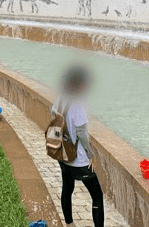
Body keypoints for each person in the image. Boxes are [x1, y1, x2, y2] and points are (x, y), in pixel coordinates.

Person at [52, 66, 104, 227]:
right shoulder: (78, 104)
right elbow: (82, 133)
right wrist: (90, 155)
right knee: (97, 195)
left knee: (67, 188)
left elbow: (54, 116)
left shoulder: (61, 97)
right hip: (78, 159)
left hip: (62, 154)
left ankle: (69, 224)